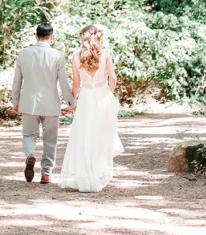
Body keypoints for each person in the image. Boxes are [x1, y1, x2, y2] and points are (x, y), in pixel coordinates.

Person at [59, 24, 124, 193]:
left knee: (85, 136)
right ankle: (99, 172)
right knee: (102, 136)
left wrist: (72, 103)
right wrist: (109, 94)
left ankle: (86, 175)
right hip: (103, 97)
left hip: (86, 98)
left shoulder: (75, 56)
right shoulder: (105, 54)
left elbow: (76, 84)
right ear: (98, 37)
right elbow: (113, 78)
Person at [11, 22, 76, 184]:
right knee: (50, 139)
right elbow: (63, 82)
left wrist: (15, 100)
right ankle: (46, 173)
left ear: (36, 35)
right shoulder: (57, 55)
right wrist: (70, 102)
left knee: (29, 135)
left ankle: (30, 155)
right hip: (50, 104)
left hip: (28, 103)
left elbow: (17, 80)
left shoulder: (23, 53)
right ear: (51, 37)